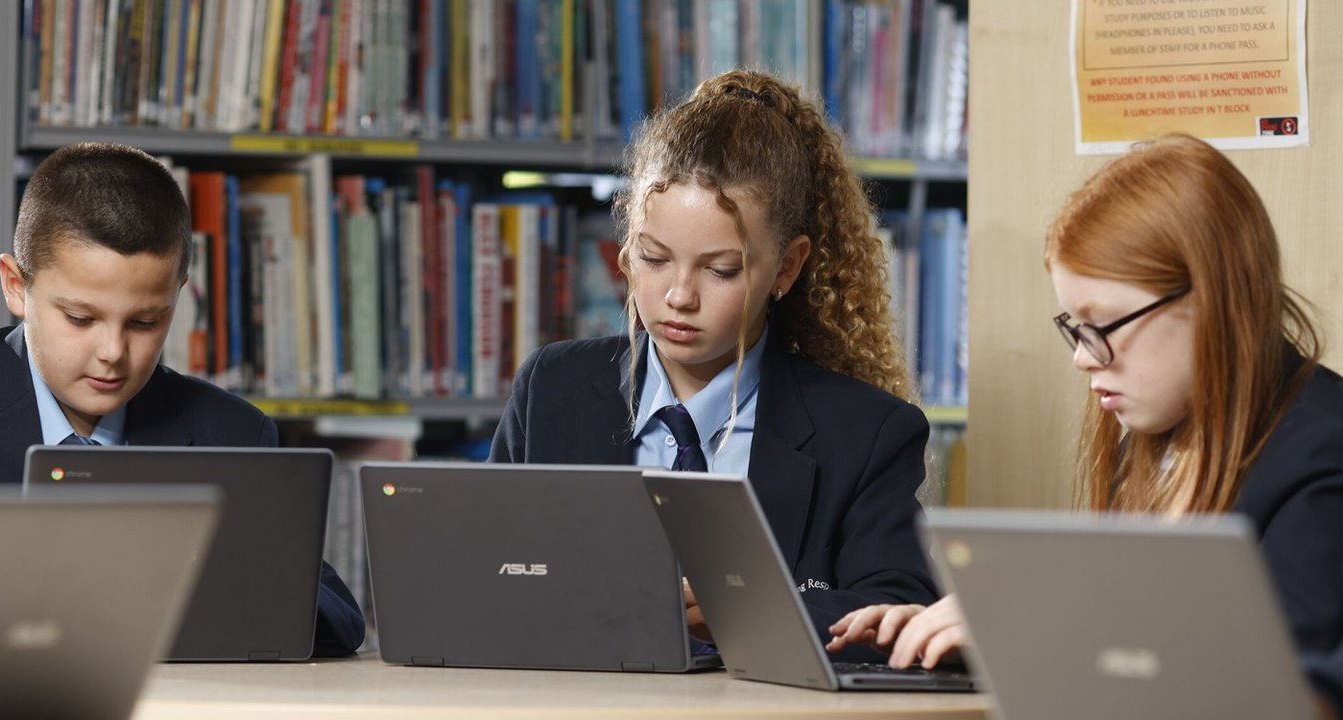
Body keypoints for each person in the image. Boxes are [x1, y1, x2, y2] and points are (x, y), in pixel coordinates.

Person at [827, 135, 1343, 712]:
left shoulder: (1321, 455)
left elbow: (1297, 700)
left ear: (1211, 298)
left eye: (1104, 325)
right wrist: (974, 635)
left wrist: (1031, 635)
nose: (1083, 357)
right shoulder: (1156, 441)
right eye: (1075, 328)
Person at [0, 143, 365, 655]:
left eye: (145, 322)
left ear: (178, 294)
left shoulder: (231, 432)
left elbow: (337, 616)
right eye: (81, 319)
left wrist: (209, 583)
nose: (113, 353)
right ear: (16, 286)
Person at [491, 70, 939, 645]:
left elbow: (902, 606)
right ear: (627, 249)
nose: (680, 296)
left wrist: (752, 604)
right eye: (654, 259)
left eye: (720, 270)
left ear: (787, 267)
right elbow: (492, 573)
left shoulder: (866, 433)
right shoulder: (552, 387)